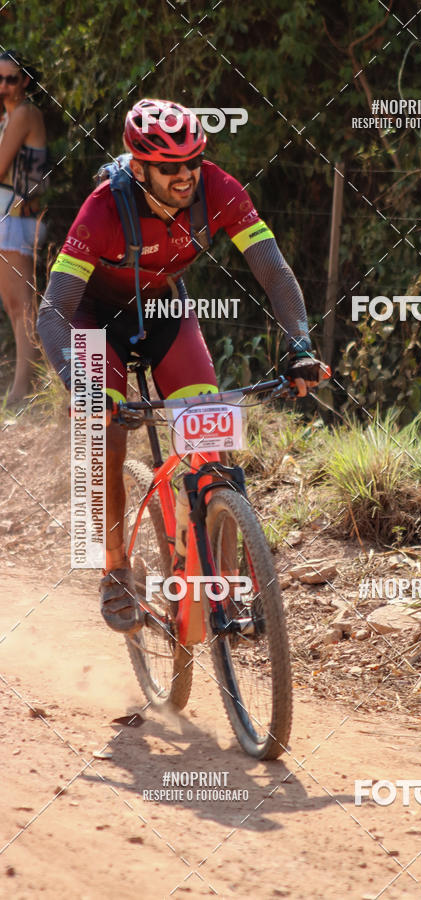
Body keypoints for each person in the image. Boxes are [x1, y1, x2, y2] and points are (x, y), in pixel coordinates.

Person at [38, 98, 323, 634]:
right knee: (105, 440)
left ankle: (222, 577)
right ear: (139, 167)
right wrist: (83, 386)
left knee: (208, 435)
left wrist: (300, 345)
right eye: (171, 167)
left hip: (165, 312)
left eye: (194, 161)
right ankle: (116, 567)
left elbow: (276, 275)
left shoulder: (218, 189)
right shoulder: (103, 209)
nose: (186, 175)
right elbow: (52, 310)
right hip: (93, 320)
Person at [0, 50, 48, 405]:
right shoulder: (7, 117)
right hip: (6, 214)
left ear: (25, 81)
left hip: (19, 217)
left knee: (24, 306)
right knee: (15, 306)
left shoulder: (25, 114)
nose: (3, 86)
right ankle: (23, 389)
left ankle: (23, 392)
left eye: (11, 78)